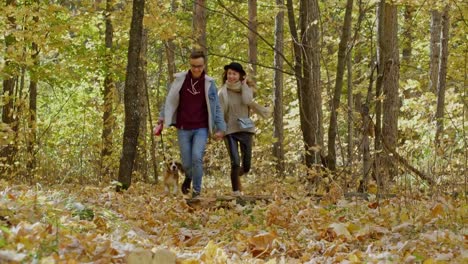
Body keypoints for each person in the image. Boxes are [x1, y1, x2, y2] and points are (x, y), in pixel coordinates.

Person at [154, 51, 226, 198]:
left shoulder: (209, 84)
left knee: (196, 157)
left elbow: (216, 107)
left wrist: (221, 128)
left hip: (201, 127)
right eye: (193, 66)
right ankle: (188, 177)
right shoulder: (180, 80)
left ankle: (196, 192)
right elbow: (169, 101)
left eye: (199, 66)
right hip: (183, 127)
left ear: (204, 65)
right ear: (190, 64)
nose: (196, 69)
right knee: (186, 163)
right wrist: (161, 119)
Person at [218, 62, 271, 196]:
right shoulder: (222, 92)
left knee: (246, 166)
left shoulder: (247, 89)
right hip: (229, 129)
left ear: (240, 76)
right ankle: (236, 192)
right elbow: (219, 112)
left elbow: (248, 101)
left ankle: (237, 176)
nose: (231, 76)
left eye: (234, 74)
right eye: (229, 73)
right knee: (235, 162)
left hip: (245, 128)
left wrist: (245, 85)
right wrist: (218, 129)